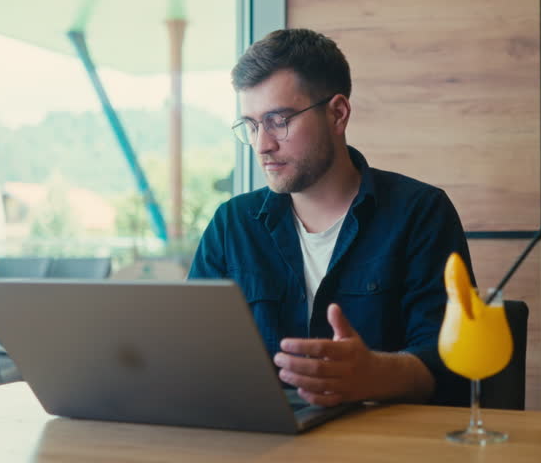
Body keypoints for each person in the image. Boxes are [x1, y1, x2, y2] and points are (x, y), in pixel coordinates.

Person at [188, 29, 474, 407]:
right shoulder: (231, 225)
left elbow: (452, 368)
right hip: (259, 441)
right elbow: (189, 354)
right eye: (253, 125)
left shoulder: (421, 213)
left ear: (337, 113)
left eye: (279, 120)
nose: (262, 145)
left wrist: (375, 374)